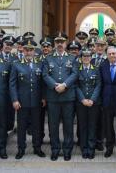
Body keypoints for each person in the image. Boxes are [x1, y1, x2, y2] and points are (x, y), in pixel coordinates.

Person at [42, 32, 78, 161]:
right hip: (53, 97)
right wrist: (54, 85)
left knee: (68, 125)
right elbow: (45, 75)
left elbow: (75, 74)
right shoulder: (48, 58)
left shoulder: (72, 58)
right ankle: (55, 149)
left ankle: (67, 150)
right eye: (57, 42)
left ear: (66, 43)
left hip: (68, 97)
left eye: (62, 42)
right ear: (54, 44)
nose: (59, 44)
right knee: (53, 125)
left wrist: (65, 85)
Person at [10, 39, 46, 159]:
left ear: (34, 51)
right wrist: (15, 99)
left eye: (31, 50)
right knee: (21, 127)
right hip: (22, 102)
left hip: (36, 101)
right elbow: (13, 84)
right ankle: (21, 149)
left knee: (37, 126)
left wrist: (43, 97)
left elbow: (42, 83)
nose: (29, 52)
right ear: (23, 50)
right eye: (27, 50)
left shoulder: (40, 63)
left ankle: (37, 148)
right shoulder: (17, 64)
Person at [76, 49, 101, 159]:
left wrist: (92, 99)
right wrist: (82, 99)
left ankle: (91, 149)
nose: (86, 58)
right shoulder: (77, 69)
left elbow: (98, 85)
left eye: (88, 56)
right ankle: (84, 148)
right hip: (81, 103)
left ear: (91, 58)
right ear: (81, 58)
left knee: (92, 125)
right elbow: (75, 86)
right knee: (82, 126)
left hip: (93, 103)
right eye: (84, 56)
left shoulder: (96, 70)